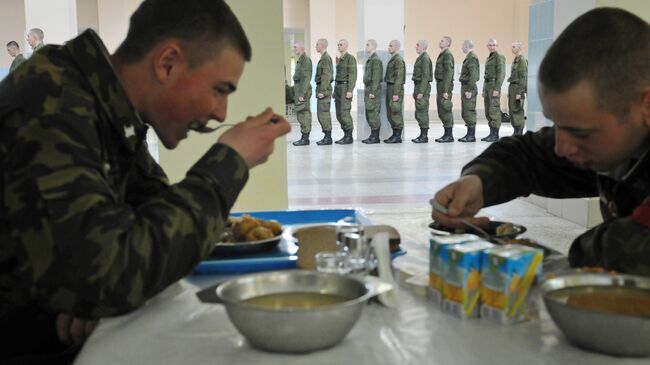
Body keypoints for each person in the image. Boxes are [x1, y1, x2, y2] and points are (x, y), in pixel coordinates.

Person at [0, 0, 290, 362]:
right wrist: (228, 162)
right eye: (219, 90)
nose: (220, 112)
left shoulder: (107, 108)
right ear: (167, 63)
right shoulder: (52, 100)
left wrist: (90, 289)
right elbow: (113, 273)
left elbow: (154, 228)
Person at [431, 8, 650, 277]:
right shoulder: (614, 134)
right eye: (556, 125)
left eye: (580, 133)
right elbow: (529, 157)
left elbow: (627, 252)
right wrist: (478, 182)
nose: (561, 147)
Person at [481, 37, 506, 142]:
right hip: (487, 85)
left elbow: (501, 74)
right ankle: (491, 133)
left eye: (494, 45)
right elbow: (486, 75)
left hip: (494, 85)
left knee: (494, 110)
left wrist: (497, 88)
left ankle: (495, 135)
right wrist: (483, 89)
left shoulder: (499, 57)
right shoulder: (488, 58)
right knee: (488, 111)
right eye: (490, 45)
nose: (492, 47)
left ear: (497, 46)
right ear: (487, 46)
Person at [333, 39, 357, 144]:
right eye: (338, 44)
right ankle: (345, 134)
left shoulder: (350, 58)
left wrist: (350, 90)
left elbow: (353, 75)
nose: (339, 46)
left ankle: (349, 136)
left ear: (346, 46)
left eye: (341, 45)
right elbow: (336, 76)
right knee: (338, 113)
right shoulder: (340, 59)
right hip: (338, 87)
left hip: (345, 87)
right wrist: (334, 90)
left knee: (344, 112)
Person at [290, 41, 313, 146]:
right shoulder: (300, 60)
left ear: (301, 48)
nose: (293, 49)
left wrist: (302, 94)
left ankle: (305, 138)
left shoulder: (306, 60)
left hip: (302, 91)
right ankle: (303, 137)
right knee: (300, 114)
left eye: (295, 47)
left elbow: (306, 79)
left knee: (304, 114)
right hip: (299, 89)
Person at [383, 39, 405, 144]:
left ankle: (397, 136)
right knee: (391, 112)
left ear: (396, 47)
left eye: (391, 46)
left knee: (395, 112)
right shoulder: (393, 59)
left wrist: (396, 93)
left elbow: (399, 78)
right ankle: (394, 134)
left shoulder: (398, 60)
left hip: (395, 89)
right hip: (390, 87)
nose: (389, 47)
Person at [361, 39, 383, 144]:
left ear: (373, 46)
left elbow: (376, 78)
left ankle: (375, 137)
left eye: (368, 45)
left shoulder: (376, 60)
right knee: (369, 113)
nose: (366, 47)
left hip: (372, 90)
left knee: (373, 113)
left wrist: (373, 92)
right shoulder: (371, 59)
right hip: (368, 89)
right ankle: (372, 135)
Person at [434, 36, 455, 143]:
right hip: (441, 84)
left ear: (448, 43)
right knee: (441, 110)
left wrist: (446, 90)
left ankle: (449, 135)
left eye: (442, 41)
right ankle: (446, 134)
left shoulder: (447, 55)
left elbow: (448, 73)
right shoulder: (442, 54)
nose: (440, 42)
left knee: (445, 109)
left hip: (444, 85)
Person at [458, 39, 480, 142]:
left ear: (466, 46)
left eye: (462, 45)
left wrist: (470, 90)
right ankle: (468, 134)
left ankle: (471, 136)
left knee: (469, 111)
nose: (461, 47)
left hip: (468, 87)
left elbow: (473, 75)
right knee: (466, 111)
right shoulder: (469, 57)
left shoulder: (472, 58)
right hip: (465, 86)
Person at [411, 39, 433, 143]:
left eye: (418, 45)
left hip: (422, 87)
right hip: (418, 85)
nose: (416, 47)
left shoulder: (425, 58)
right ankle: (422, 135)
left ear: (424, 47)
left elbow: (425, 76)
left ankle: (424, 136)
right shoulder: (421, 57)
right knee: (419, 112)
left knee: (422, 112)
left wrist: (421, 91)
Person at [314, 38, 334, 145]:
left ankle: (328, 138)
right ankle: (326, 136)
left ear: (322, 45)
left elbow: (326, 75)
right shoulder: (323, 58)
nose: (315, 46)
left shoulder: (326, 58)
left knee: (324, 114)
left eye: (317, 44)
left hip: (324, 90)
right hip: (322, 89)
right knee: (321, 113)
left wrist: (322, 90)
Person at [508, 41, 528, 136]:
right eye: (512, 46)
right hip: (513, 87)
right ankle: (516, 130)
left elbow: (523, 77)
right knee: (512, 109)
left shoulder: (522, 60)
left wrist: (520, 92)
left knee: (517, 109)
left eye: (514, 47)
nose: (512, 48)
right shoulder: (516, 59)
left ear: (519, 48)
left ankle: (519, 131)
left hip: (517, 88)